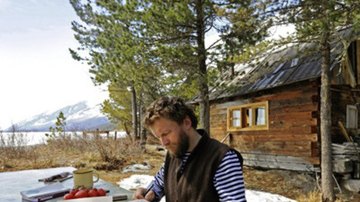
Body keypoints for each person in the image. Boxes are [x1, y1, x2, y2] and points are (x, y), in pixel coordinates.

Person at [133, 96, 246, 202]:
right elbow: (159, 183)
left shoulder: (223, 159)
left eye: (166, 133)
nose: (164, 143)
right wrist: (149, 192)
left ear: (187, 123)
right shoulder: (173, 153)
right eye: (159, 137)